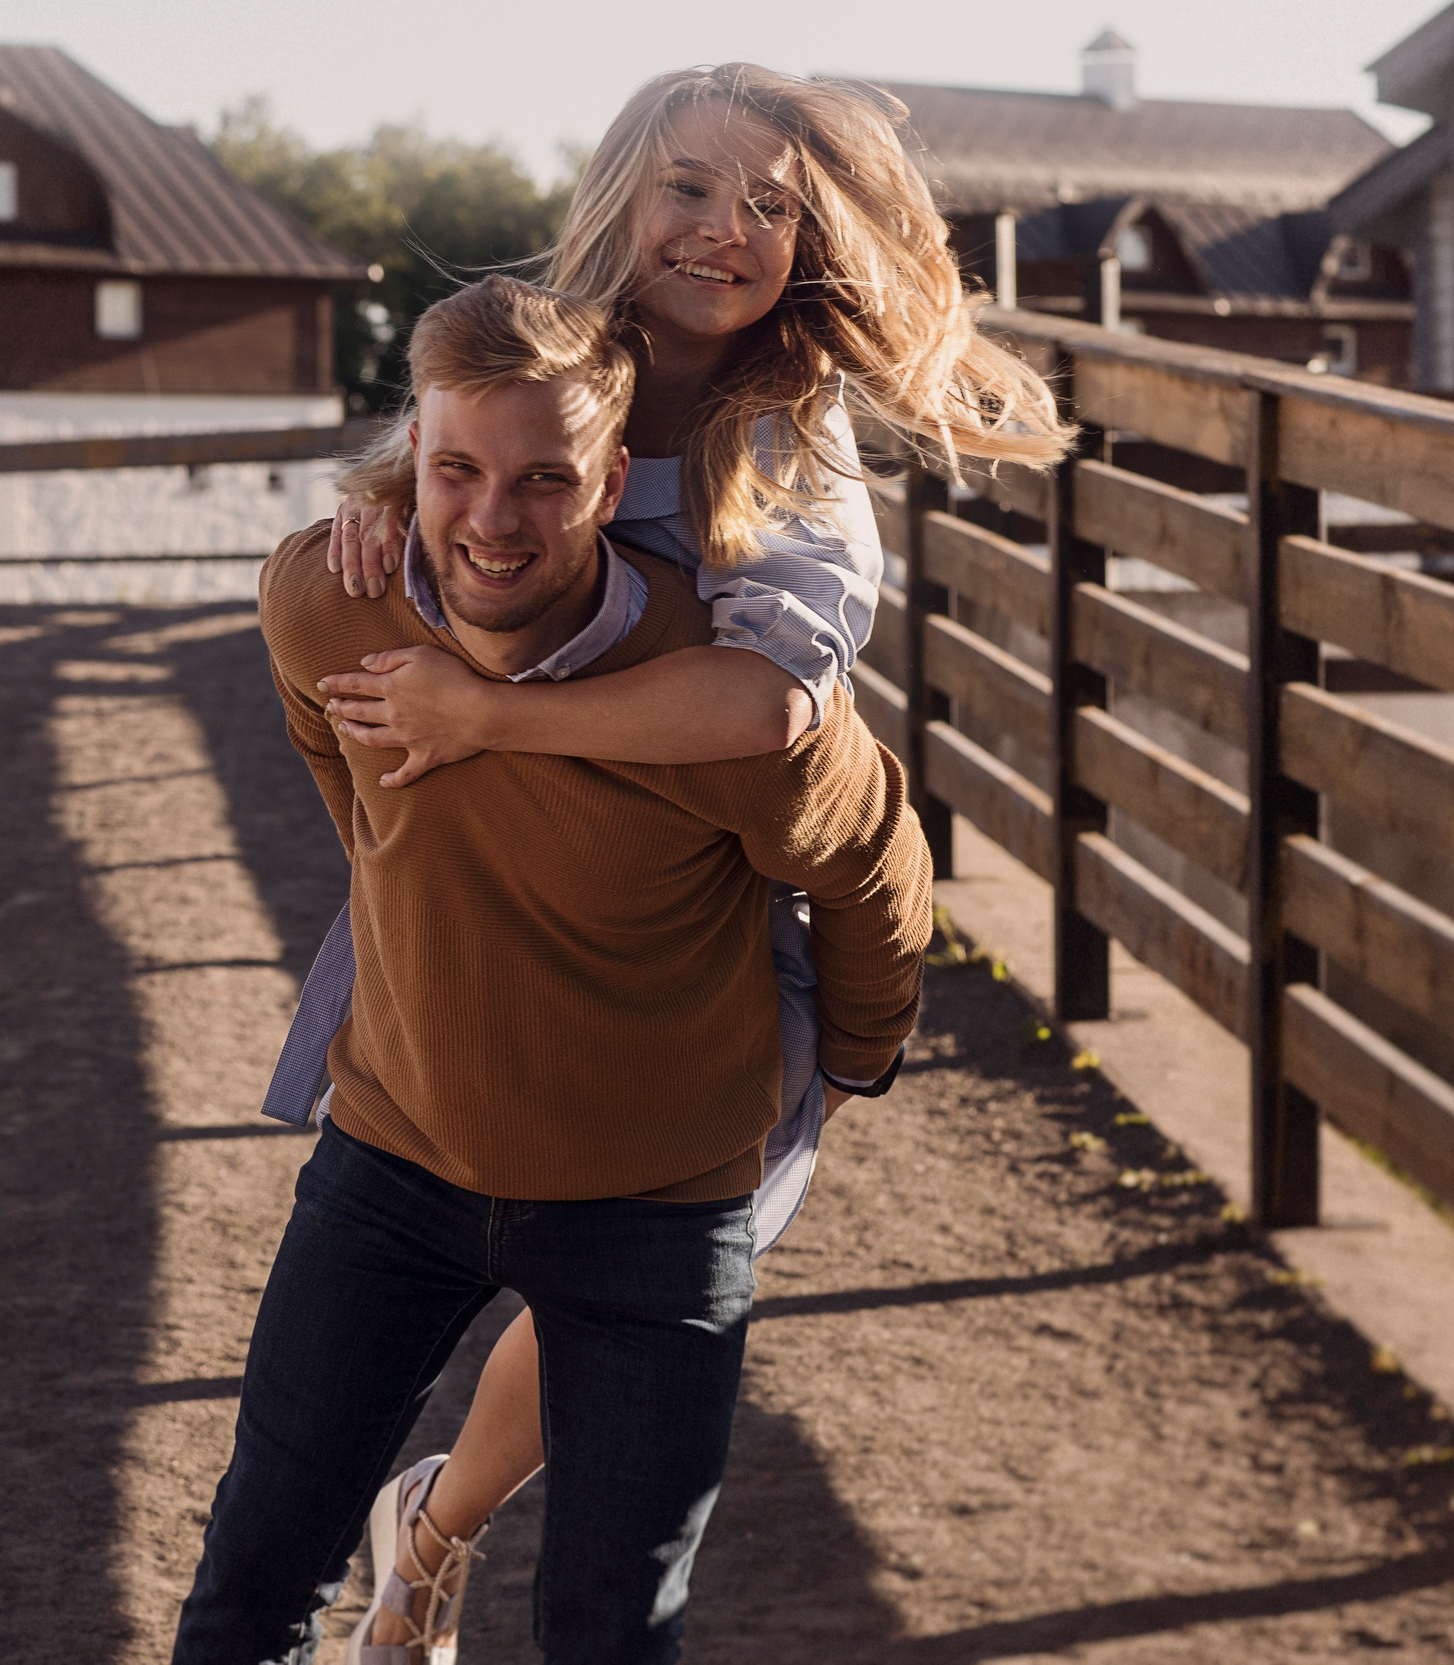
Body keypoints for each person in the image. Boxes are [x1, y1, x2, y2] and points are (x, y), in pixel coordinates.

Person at [256, 64, 1068, 1659]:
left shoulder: (788, 443)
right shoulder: (541, 363)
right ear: (623, 194)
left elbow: (767, 708)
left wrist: (492, 720)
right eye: (690, 187)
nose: (723, 228)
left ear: (814, 240)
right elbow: (429, 516)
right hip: (519, 894)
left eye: (771, 205)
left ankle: (437, 1525)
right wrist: (378, 515)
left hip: (714, 922)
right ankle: (426, 1535)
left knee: (638, 1259)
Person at [173, 275, 933, 1664]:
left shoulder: (721, 695)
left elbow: (876, 858)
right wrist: (413, 890)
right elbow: (337, 764)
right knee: (249, 1589)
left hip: (658, 1205)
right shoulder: (328, 602)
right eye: (457, 471)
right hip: (396, 1158)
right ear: (411, 454)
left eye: (545, 479)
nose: (494, 520)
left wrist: (855, 1056)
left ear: (614, 483)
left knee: (611, 1632)